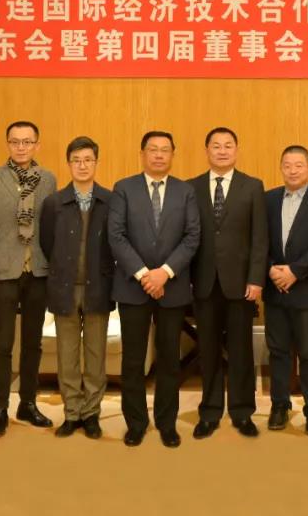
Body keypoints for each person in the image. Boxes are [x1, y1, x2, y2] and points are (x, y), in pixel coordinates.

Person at [108, 131, 201, 448]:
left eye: (165, 150)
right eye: (153, 149)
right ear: (142, 154)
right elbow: (116, 235)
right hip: (132, 287)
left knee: (169, 359)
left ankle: (166, 422)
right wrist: (145, 275)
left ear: (173, 154)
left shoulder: (185, 191)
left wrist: (165, 273)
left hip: (172, 287)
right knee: (133, 360)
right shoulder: (124, 188)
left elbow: (192, 237)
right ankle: (135, 423)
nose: (159, 155)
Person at [0, 121, 58, 437]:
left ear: (37, 145)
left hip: (38, 272)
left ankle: (28, 403)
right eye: (15, 142)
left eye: (27, 142)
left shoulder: (48, 179)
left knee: (33, 343)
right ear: (7, 144)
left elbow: (51, 226)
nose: (21, 147)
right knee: (2, 344)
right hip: (3, 273)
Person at [189, 127, 268, 439]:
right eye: (216, 146)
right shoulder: (191, 187)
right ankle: (209, 412)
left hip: (241, 284)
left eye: (228, 146)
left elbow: (260, 238)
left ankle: (242, 411)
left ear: (237, 150)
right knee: (207, 351)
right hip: (204, 282)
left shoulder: (252, 186)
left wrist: (256, 278)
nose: (222, 151)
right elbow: (188, 237)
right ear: (207, 150)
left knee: (240, 351)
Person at [39, 136, 115, 440]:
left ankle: (91, 413)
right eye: (76, 160)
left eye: (88, 160)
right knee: (67, 355)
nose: (82, 166)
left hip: (99, 287)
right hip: (65, 288)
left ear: (96, 163)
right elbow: (47, 243)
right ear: (68, 164)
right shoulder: (54, 203)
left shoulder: (110, 201)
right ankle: (72, 413)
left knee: (96, 356)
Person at [263, 145, 308, 437]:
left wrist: (294, 271)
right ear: (281, 167)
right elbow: (258, 240)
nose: (293, 171)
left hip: (307, 289)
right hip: (275, 288)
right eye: (287, 165)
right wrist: (271, 269)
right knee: (278, 352)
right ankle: (279, 405)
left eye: (299, 165)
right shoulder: (268, 199)